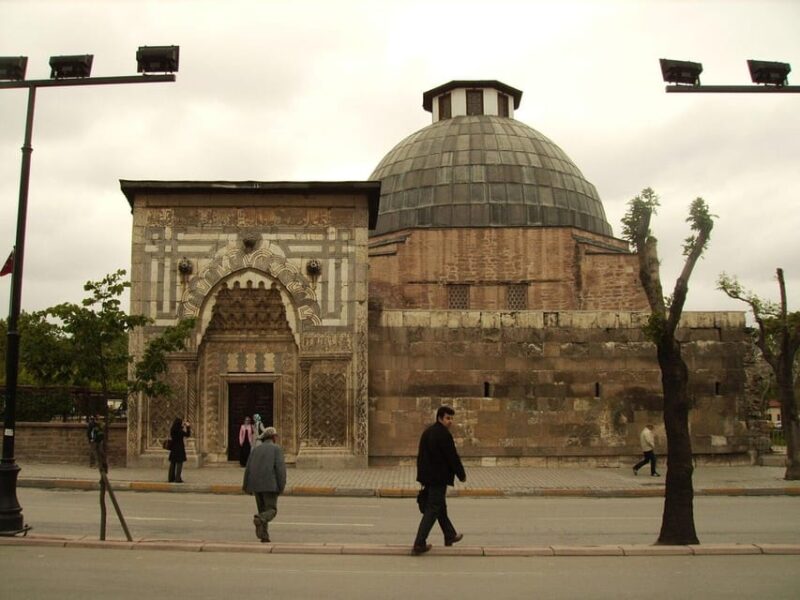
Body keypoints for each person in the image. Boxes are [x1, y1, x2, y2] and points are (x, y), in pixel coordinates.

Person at [412, 405, 466, 555]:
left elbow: (421, 457)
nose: (450, 422)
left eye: (452, 418)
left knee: (440, 507)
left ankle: (449, 535)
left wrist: (422, 478)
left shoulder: (427, 432)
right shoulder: (443, 435)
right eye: (448, 418)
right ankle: (419, 543)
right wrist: (461, 474)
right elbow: (452, 457)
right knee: (433, 509)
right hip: (438, 478)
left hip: (428, 478)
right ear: (440, 418)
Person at [243, 426, 286, 543]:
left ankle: (264, 536)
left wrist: (246, 486)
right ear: (273, 437)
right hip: (270, 485)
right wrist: (281, 485)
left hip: (256, 485)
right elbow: (280, 469)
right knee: (271, 510)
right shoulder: (276, 449)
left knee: (262, 509)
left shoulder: (255, 450)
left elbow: (248, 468)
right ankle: (260, 519)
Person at [168, 417, 192, 483]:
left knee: (172, 463)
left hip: (173, 448)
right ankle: (177, 478)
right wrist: (188, 427)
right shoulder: (180, 431)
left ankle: (171, 478)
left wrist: (182, 425)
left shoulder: (172, 430)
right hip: (179, 449)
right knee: (179, 464)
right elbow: (187, 435)